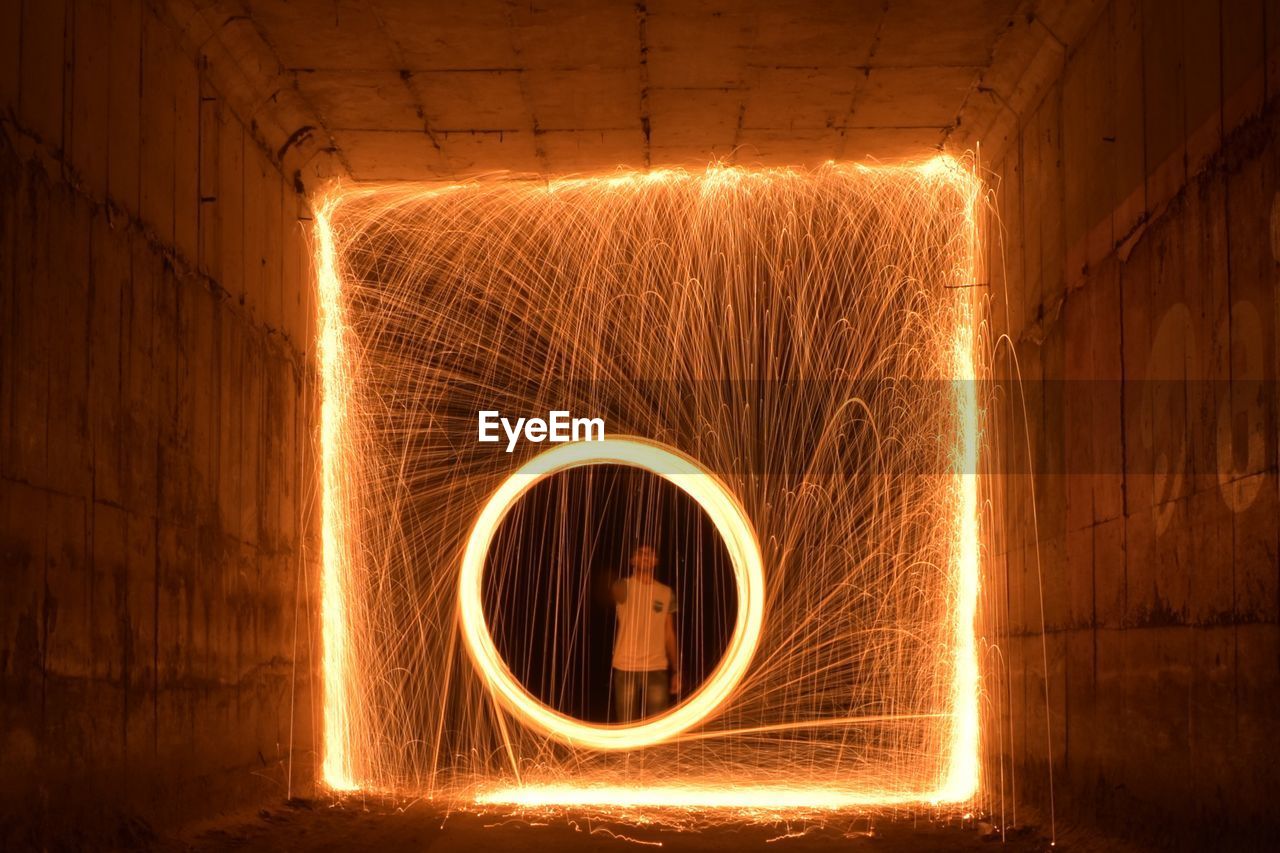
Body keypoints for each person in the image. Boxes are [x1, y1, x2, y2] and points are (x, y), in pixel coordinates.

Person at [611, 544, 681, 723]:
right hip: (626, 666)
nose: (645, 556)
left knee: (657, 725)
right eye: (640, 553)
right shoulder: (622, 586)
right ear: (632, 560)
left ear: (656, 561)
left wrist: (676, 670)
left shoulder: (666, 593)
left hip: (656, 667)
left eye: (650, 554)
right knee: (626, 725)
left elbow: (669, 633)